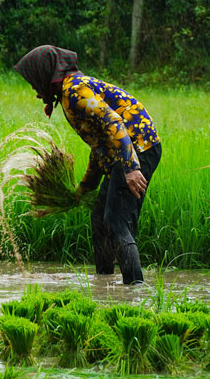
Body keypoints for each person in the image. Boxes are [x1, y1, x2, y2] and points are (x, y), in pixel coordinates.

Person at [14, 45, 162, 285]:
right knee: (100, 218)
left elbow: (114, 123)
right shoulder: (68, 93)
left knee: (116, 220)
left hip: (138, 149)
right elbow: (101, 146)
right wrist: (84, 189)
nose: (34, 89)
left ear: (45, 74)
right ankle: (104, 282)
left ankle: (135, 290)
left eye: (34, 81)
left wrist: (131, 168)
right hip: (124, 152)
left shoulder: (75, 91)